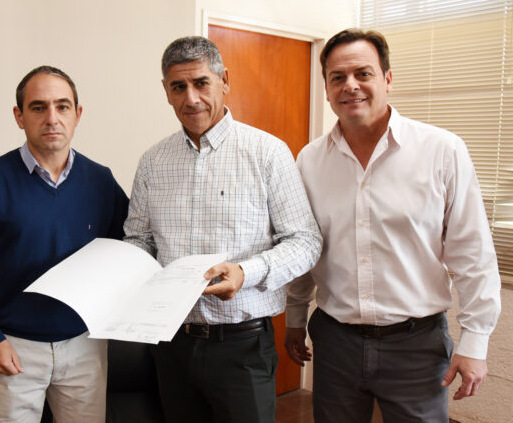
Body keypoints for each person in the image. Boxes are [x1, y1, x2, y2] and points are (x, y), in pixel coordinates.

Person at [285, 28, 502, 423]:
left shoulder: (442, 150)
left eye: (363, 73)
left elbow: (473, 253)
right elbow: (305, 247)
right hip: (335, 343)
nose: (351, 85)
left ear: (387, 79)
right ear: (327, 89)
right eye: (338, 77)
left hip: (416, 347)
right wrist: (295, 317)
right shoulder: (310, 160)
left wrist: (475, 342)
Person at [123, 36, 322, 423]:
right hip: (171, 343)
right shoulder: (152, 162)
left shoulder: (267, 152)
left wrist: (246, 272)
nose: (191, 98)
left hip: (242, 346)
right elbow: (138, 240)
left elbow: (305, 241)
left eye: (201, 83)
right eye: (178, 87)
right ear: (166, 91)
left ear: (224, 80)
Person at [0, 65, 129, 422]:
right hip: (12, 345)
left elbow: (128, 249)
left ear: (77, 114)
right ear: (19, 116)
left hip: (84, 346)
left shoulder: (101, 181)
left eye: (62, 106)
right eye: (38, 107)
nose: (52, 118)